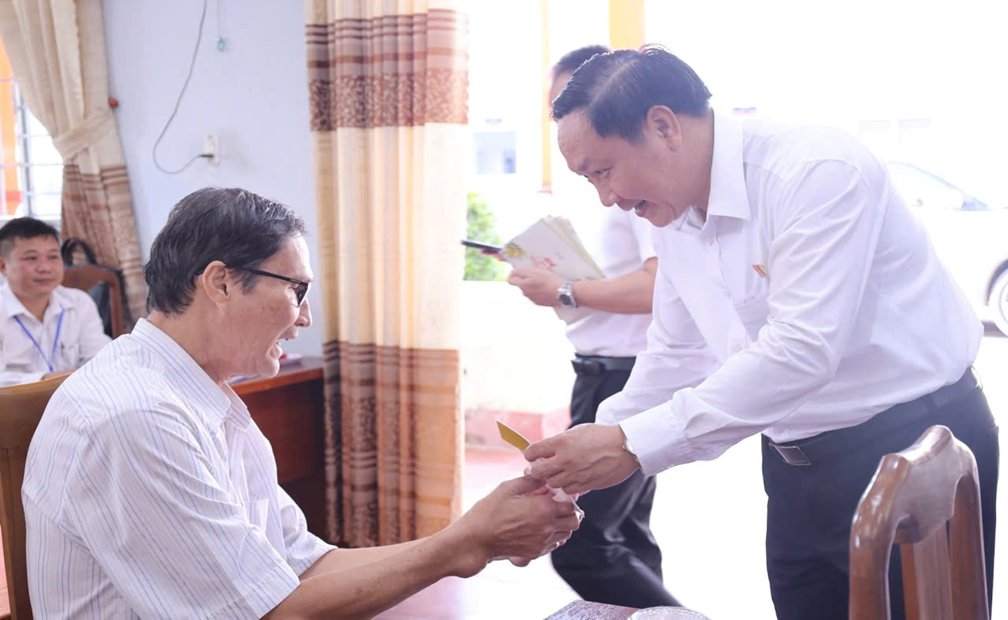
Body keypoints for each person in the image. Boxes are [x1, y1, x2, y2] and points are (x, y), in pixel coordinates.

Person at [527, 46, 999, 620]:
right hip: (795, 462)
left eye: (604, 171)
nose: (609, 198)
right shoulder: (672, 212)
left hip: (912, 446)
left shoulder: (815, 171)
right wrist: (586, 449)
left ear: (663, 126)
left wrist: (629, 445)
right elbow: (676, 352)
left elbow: (801, 350)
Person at [22, 187, 581, 619]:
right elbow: (273, 614)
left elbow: (306, 565)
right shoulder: (137, 416)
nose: (306, 318)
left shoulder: (200, 395)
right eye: (297, 290)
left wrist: (475, 537)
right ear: (220, 283)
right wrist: (467, 542)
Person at [503, 45, 678, 608]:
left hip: (629, 374)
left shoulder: (641, 189)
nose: (564, 116)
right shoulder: (606, 189)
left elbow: (660, 287)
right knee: (627, 534)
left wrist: (564, 290)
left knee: (584, 543)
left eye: (571, 100)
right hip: (605, 370)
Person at [0, 217, 111, 386]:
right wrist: (45, 380)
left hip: (76, 398)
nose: (45, 268)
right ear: (3, 266)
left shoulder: (79, 302)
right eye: (31, 258)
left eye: (53, 257)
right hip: (13, 402)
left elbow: (103, 359)